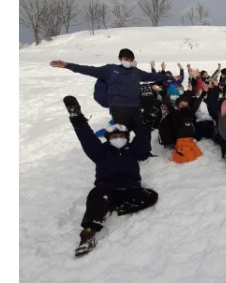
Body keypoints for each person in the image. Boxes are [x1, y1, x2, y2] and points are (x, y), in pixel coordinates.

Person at [63, 96, 158, 257]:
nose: (118, 138)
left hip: (131, 188)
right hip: (108, 188)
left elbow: (142, 144)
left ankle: (115, 207)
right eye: (114, 136)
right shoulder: (101, 152)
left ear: (127, 137)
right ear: (108, 138)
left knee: (151, 195)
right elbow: (87, 139)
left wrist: (146, 124)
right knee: (95, 195)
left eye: (121, 136)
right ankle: (88, 234)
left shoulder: (133, 150)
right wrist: (77, 118)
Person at [50, 48, 170, 159]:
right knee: (122, 132)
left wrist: (168, 78)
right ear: (120, 59)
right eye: (126, 59)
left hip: (135, 107)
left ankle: (144, 153)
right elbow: (89, 69)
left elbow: (151, 76)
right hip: (119, 107)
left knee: (143, 130)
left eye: (131, 60)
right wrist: (67, 65)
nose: (128, 61)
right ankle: (123, 155)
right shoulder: (111, 70)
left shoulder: (135, 72)